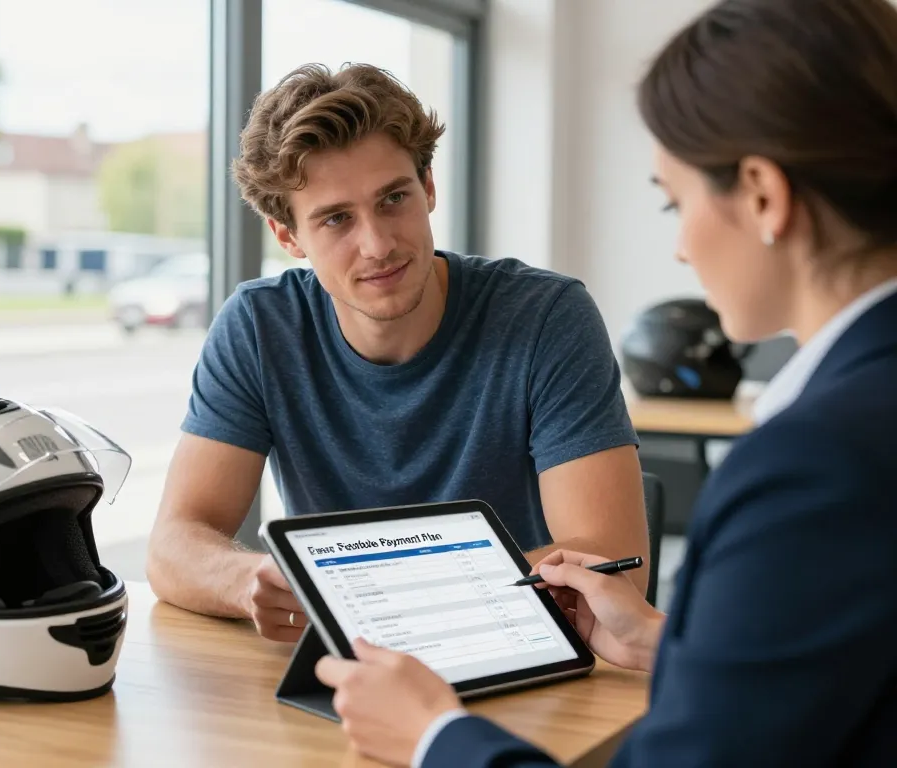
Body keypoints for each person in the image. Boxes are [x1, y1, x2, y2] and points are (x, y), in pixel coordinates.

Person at [313, 0, 897, 765]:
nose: (681, 247)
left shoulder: (815, 466)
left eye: (675, 201)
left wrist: (432, 736)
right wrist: (666, 642)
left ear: (763, 195)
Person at [146, 62, 651, 640]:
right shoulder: (260, 326)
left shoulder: (545, 316)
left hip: (518, 648)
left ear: (428, 188)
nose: (378, 244)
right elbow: (172, 546)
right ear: (288, 236)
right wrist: (246, 580)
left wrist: (365, 597)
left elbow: (611, 564)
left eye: (393, 199)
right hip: (351, 663)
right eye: (337, 219)